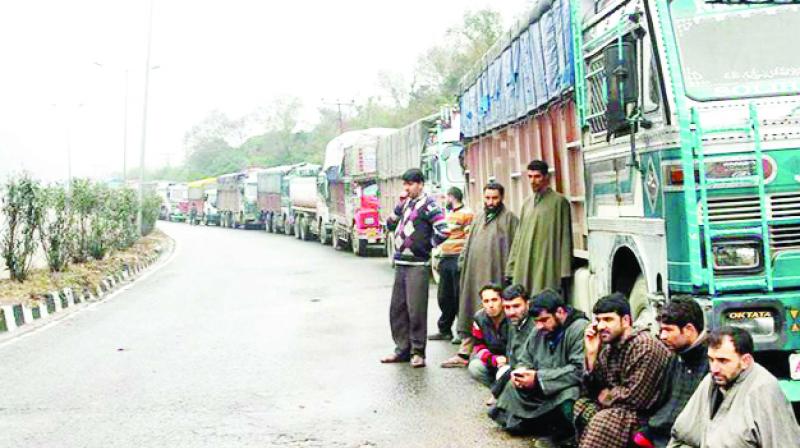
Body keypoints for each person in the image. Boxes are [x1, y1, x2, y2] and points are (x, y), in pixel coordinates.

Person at [668, 326, 800, 448]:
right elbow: (682, 432)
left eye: (723, 361)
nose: (714, 368)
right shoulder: (713, 380)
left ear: (745, 361)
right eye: (711, 359)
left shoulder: (763, 390)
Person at [490, 289, 588, 443]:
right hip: (541, 387)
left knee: (570, 395)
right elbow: (525, 357)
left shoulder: (579, 328)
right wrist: (522, 372)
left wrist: (538, 378)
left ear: (560, 312)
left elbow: (579, 370)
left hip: (565, 385)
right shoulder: (539, 330)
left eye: (544, 320)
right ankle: (538, 425)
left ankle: (568, 435)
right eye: (536, 321)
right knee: (511, 384)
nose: (539, 326)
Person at [574, 293, 670, 448]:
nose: (600, 326)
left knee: (603, 420)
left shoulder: (644, 346)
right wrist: (591, 354)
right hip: (620, 408)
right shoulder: (609, 347)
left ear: (625, 320)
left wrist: (607, 396)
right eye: (598, 320)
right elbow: (591, 390)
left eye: (608, 319)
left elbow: (635, 398)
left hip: (645, 415)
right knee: (582, 405)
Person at [440, 182, 518, 368]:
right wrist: (462, 263)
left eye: (495, 198)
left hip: (496, 274)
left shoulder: (510, 219)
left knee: (495, 315)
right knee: (469, 310)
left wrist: (510, 274)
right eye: (487, 198)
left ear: (502, 198)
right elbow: (468, 243)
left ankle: (497, 358)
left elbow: (516, 249)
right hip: (473, 274)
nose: (490, 202)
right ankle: (464, 354)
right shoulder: (478, 217)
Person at [380, 168, 449, 368]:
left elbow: (444, 230)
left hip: (417, 264)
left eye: (410, 184)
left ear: (420, 184)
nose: (407, 188)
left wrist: (428, 245)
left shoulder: (430, 205)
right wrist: (398, 205)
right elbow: (390, 224)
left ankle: (418, 352)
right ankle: (401, 349)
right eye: (405, 184)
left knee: (416, 309)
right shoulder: (406, 204)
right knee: (397, 309)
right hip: (401, 263)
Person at [633, 298, 708, 448]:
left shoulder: (711, 361)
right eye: (661, 330)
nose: (662, 336)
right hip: (660, 433)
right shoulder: (675, 356)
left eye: (668, 330)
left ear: (689, 330)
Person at [505, 160, 572, 297]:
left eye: (537, 176)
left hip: (546, 263)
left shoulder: (559, 202)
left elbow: (566, 237)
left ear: (546, 177)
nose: (533, 181)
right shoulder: (526, 203)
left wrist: (564, 271)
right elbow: (518, 237)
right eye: (530, 176)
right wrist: (511, 267)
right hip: (525, 262)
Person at [429, 187, 474, 342]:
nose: (444, 201)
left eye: (445, 198)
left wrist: (463, 259)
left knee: (458, 296)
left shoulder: (467, 214)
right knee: (444, 296)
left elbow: (469, 238)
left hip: (457, 259)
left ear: (451, 197)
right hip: (446, 258)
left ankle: (461, 332)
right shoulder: (449, 215)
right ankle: (444, 329)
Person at [486, 284, 535, 400]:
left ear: (527, 304)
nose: (511, 312)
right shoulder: (513, 320)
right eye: (507, 307)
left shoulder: (535, 326)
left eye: (516, 306)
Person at [467, 284, 509, 387]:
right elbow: (479, 347)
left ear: (502, 301)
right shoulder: (479, 318)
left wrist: (507, 360)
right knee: (475, 367)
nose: (490, 305)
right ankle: (497, 392)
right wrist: (494, 359)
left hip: (512, 361)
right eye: (486, 301)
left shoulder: (511, 316)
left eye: (494, 300)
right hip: (493, 360)